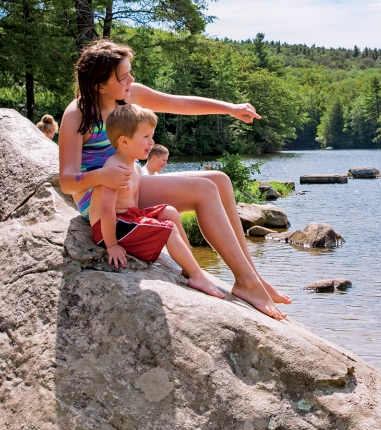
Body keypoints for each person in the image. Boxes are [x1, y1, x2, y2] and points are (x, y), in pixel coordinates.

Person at [58, 39, 289, 320]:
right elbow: (68, 182)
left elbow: (177, 103)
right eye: (123, 77)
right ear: (99, 84)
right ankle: (248, 284)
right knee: (204, 190)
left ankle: (251, 275)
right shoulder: (78, 114)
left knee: (220, 180)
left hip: (134, 184)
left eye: (130, 72)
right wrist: (103, 175)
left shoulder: (128, 96)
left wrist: (229, 107)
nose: (131, 80)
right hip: (106, 198)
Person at [89, 104, 225, 301]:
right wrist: (112, 246)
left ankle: (190, 266)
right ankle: (197, 277)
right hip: (108, 229)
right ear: (124, 141)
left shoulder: (133, 166)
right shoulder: (116, 169)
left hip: (126, 219)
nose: (151, 143)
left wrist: (145, 219)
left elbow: (133, 205)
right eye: (145, 137)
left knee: (169, 211)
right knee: (167, 228)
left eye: (151, 136)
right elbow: (107, 209)